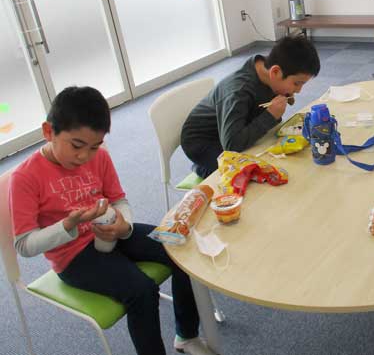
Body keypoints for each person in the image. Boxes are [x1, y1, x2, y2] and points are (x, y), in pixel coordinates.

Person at [10, 87, 207, 355]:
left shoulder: (99, 157)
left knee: (181, 248)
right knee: (142, 291)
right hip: (72, 256)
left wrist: (124, 225)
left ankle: (186, 335)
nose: (84, 156)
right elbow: (24, 245)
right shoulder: (26, 177)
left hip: (110, 231)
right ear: (48, 131)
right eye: (76, 145)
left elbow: (119, 200)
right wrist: (68, 226)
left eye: (94, 146)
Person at [181, 35, 320, 179]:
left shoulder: (267, 70)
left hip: (232, 127)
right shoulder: (238, 91)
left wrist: (281, 98)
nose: (299, 91)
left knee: (272, 152)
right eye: (297, 83)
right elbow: (232, 145)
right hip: (203, 142)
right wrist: (270, 115)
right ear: (275, 72)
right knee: (250, 173)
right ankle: (203, 169)